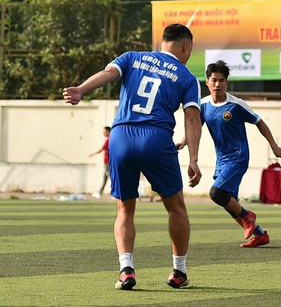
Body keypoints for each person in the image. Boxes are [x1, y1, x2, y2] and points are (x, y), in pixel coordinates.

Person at [63, 23, 201, 290]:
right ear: (186, 46)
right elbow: (192, 117)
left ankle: (126, 270)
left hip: (121, 136)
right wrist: (193, 158)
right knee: (176, 207)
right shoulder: (186, 77)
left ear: (163, 42)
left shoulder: (132, 57)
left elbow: (108, 73)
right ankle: (179, 272)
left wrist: (80, 89)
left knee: (125, 209)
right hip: (156, 138)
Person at [177, 60, 281, 248]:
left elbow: (259, 122)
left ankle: (248, 217)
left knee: (216, 193)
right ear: (207, 82)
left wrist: (274, 146)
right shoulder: (203, 105)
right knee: (230, 204)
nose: (217, 84)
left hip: (238, 158)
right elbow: (195, 126)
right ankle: (260, 235)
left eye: (221, 81)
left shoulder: (236, 105)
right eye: (214, 80)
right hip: (222, 161)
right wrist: (182, 141)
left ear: (226, 83)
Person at [89, 126, 111, 199]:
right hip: (107, 161)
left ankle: (117, 191)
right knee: (105, 178)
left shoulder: (108, 139)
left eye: (104, 132)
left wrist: (92, 154)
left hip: (108, 161)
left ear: (108, 131)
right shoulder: (111, 139)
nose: (103, 133)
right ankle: (100, 192)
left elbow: (101, 149)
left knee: (110, 176)